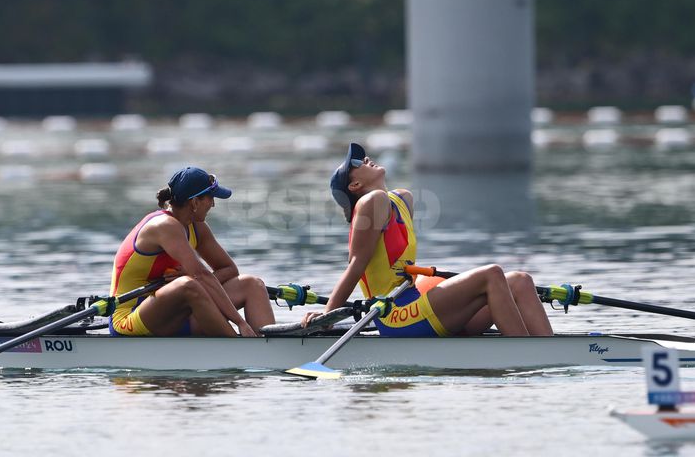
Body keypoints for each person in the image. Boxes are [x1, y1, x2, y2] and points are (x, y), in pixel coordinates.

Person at [302, 143, 553, 337]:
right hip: (396, 315)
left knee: (520, 281)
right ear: (355, 184)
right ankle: (524, 355)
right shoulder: (370, 202)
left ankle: (549, 354)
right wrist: (327, 317)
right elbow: (356, 265)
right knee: (492, 273)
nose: (366, 159)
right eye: (357, 162)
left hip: (416, 304)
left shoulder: (402, 199)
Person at [109, 166, 274, 337]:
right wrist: (240, 322)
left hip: (176, 312)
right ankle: (244, 350)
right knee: (187, 285)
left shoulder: (196, 227)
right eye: (211, 198)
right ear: (195, 202)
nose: (214, 204)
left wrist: (191, 280)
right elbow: (200, 275)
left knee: (252, 284)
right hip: (130, 318)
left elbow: (228, 269)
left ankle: (268, 346)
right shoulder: (164, 225)